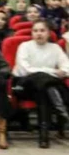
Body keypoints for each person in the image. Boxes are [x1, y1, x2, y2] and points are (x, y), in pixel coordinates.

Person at [11, 20, 69, 148]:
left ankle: (44, 136)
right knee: (42, 79)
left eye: (42, 31)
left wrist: (59, 72)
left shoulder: (55, 48)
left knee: (43, 89)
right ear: (32, 33)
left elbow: (66, 67)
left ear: (49, 33)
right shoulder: (24, 46)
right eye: (35, 31)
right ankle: (60, 108)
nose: (39, 34)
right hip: (24, 85)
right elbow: (25, 69)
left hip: (42, 88)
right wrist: (52, 71)